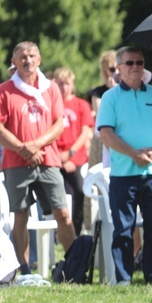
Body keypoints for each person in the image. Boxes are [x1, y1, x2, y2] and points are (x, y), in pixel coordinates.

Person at [97, 46, 152, 285]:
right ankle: (123, 278)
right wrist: (133, 155)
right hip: (123, 173)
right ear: (119, 68)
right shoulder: (110, 97)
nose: (136, 67)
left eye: (140, 63)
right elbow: (106, 134)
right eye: (129, 63)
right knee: (123, 229)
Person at [0, 42, 76, 275]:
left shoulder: (50, 88)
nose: (28, 60)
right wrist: (23, 148)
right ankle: (24, 271)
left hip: (48, 159)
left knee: (62, 212)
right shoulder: (4, 90)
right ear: (14, 61)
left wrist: (36, 145)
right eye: (22, 56)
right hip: (16, 162)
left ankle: (73, 267)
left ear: (39, 60)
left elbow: (58, 123)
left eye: (32, 56)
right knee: (20, 215)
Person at [53, 67, 94, 236]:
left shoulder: (81, 104)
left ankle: (76, 231)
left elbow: (84, 132)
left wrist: (70, 154)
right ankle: (57, 233)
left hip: (75, 159)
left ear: (73, 84)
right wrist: (59, 158)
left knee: (79, 191)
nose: (63, 88)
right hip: (55, 158)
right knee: (56, 196)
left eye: (67, 84)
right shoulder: (51, 104)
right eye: (60, 84)